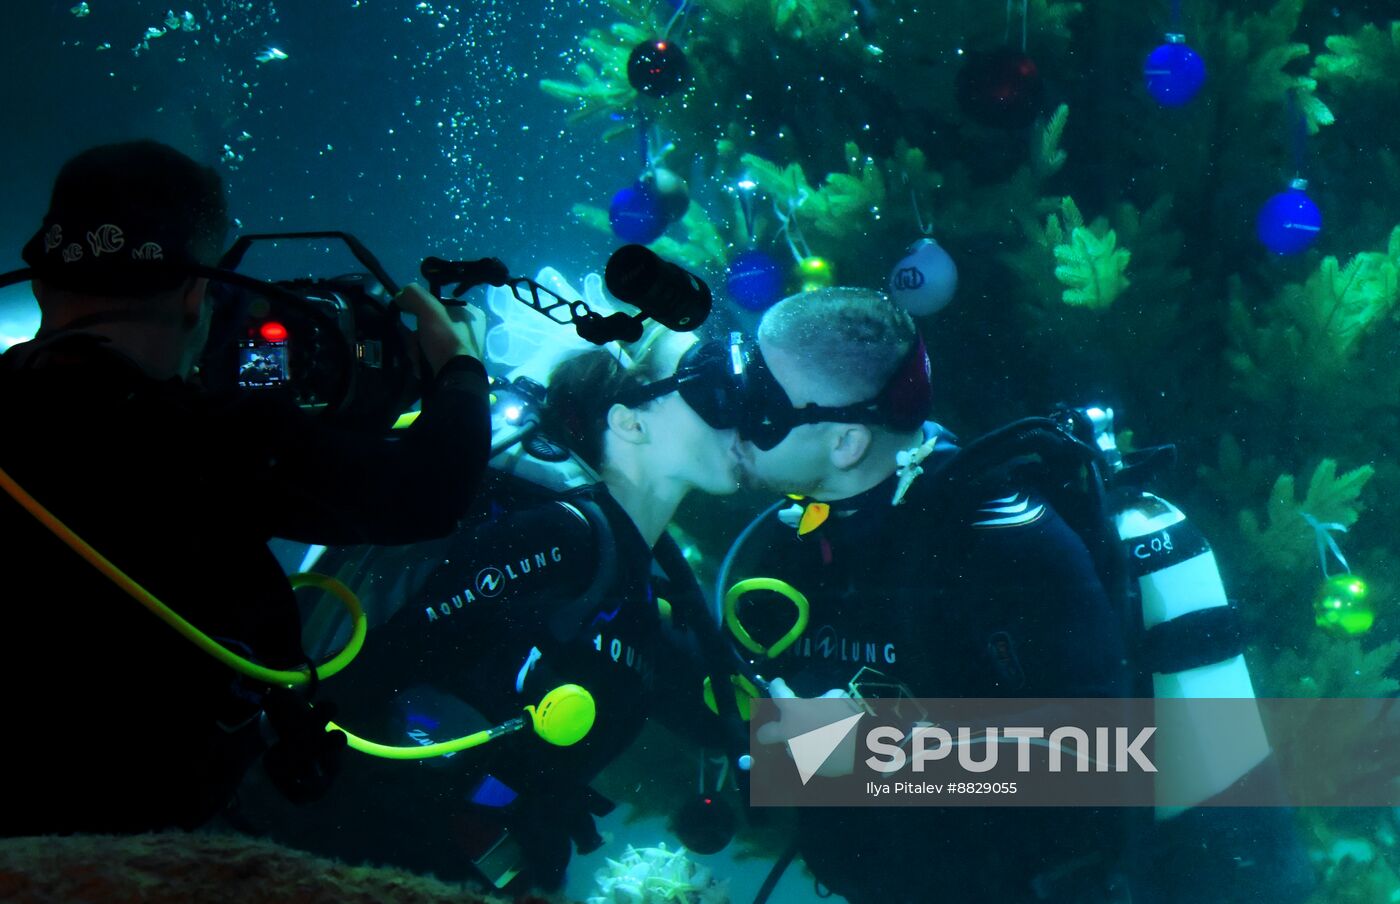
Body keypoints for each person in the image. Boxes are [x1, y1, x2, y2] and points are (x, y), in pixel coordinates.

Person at [721, 287, 1315, 903]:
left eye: (761, 403)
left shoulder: (999, 543)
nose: (737, 419)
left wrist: (868, 758)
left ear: (847, 442)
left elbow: (1096, 756)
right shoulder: (805, 536)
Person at [0, 141, 492, 837]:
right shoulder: (202, 440)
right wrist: (460, 367)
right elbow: (432, 490)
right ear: (198, 291)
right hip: (135, 839)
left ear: (42, 282)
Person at [240, 336, 742, 892]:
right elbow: (365, 676)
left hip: (438, 875)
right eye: (706, 387)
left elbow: (735, 730)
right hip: (335, 861)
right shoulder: (562, 538)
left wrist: (860, 769)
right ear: (629, 423)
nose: (741, 412)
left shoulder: (636, 593)